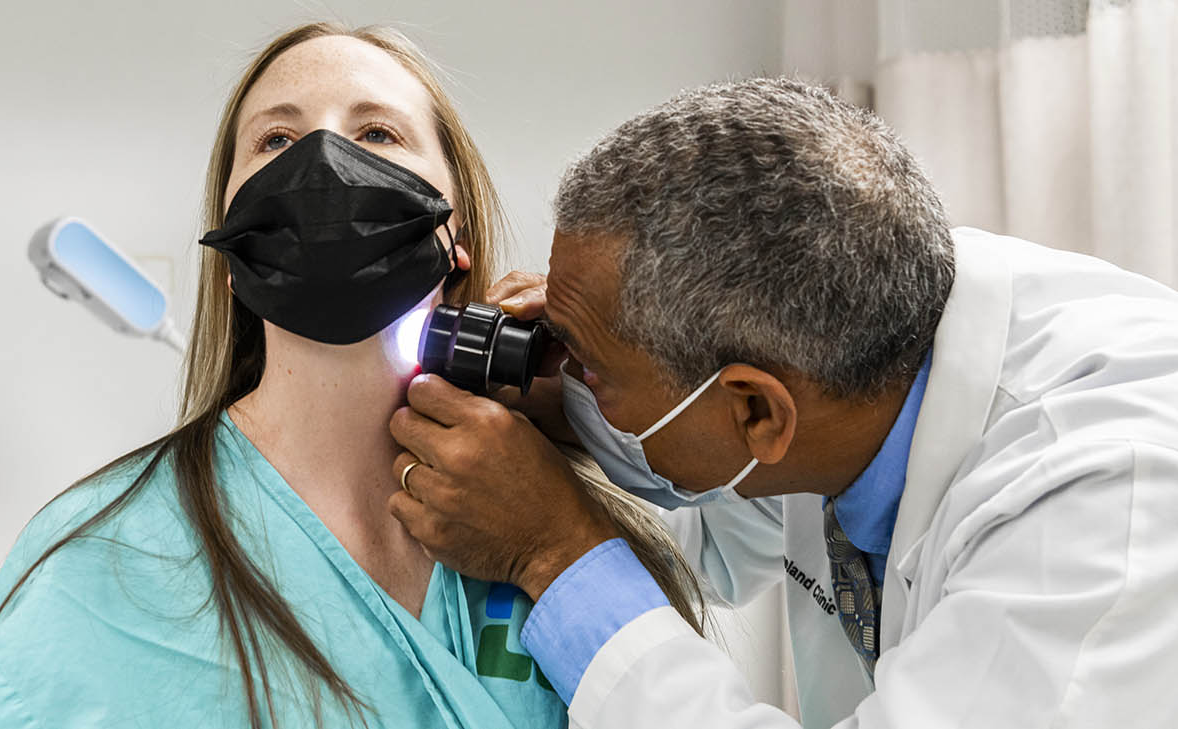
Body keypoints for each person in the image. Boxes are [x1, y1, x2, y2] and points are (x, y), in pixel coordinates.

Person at [0, 22, 704, 729]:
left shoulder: (581, 544)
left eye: (377, 132)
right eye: (276, 139)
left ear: (454, 239)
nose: (324, 160)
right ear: (233, 257)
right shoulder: (105, 558)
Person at [388, 78, 1178, 728]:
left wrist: (555, 553)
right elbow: (707, 539)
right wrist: (578, 405)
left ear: (760, 412)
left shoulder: (1102, 505)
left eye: (592, 368)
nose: (566, 372)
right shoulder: (848, 331)